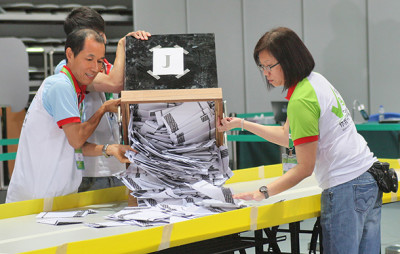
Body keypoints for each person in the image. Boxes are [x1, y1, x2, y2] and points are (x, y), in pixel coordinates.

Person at [218, 27, 382, 253]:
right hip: (367, 180)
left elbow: (305, 168)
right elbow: (288, 137)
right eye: (261, 67)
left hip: (345, 188)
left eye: (269, 66)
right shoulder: (315, 82)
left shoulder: (301, 100)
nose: (265, 73)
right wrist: (240, 124)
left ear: (289, 60)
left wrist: (263, 192)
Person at [6, 29, 135, 203]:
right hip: (37, 196)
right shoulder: (60, 86)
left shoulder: (75, 89)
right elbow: (76, 140)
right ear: (70, 54)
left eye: (99, 61)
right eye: (89, 59)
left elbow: (72, 145)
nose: (95, 68)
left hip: (58, 196)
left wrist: (109, 149)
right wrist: (102, 109)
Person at [54, 7, 151, 192]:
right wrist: (123, 45)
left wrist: (139, 46)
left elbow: (125, 83)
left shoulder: (103, 66)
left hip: (115, 165)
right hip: (87, 171)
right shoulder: (66, 71)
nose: (103, 39)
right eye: (97, 34)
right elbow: (114, 83)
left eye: (102, 33)